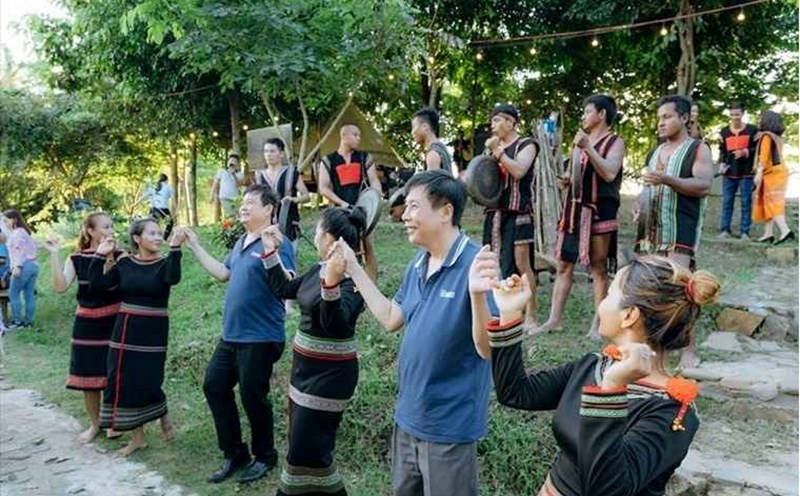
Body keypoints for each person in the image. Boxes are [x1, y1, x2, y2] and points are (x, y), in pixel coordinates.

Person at [473, 254, 719, 496]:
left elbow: (607, 488)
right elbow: (516, 393)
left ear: (629, 315)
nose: (602, 301)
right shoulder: (595, 366)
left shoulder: (672, 412)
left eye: (611, 293)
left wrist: (611, 389)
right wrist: (509, 315)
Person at [335, 170, 497, 496]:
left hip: (448, 428)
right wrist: (353, 267)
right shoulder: (419, 263)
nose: (404, 216)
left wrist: (477, 294)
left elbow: (487, 348)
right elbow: (392, 317)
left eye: (412, 207)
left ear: (445, 211)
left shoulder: (477, 264)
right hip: (409, 417)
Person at [182, 184, 296, 484]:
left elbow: (289, 284)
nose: (243, 207)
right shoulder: (241, 242)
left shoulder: (278, 241)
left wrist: (274, 252)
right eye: (242, 202)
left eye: (250, 203)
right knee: (214, 385)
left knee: (252, 394)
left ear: (269, 209)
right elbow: (223, 273)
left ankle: (265, 456)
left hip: (261, 335)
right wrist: (194, 244)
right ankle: (235, 453)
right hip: (232, 335)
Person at [260, 207, 367, 496]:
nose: (315, 236)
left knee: (306, 452)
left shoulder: (355, 282)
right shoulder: (317, 270)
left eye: (318, 231)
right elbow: (285, 288)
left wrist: (331, 282)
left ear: (331, 239)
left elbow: (333, 322)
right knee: (305, 449)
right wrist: (271, 252)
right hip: (303, 372)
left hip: (330, 378)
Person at [88, 218, 184, 456]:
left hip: (153, 332)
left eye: (159, 233)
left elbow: (173, 278)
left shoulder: (165, 263)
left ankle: (163, 416)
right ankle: (138, 438)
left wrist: (175, 249)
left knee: (149, 380)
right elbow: (96, 286)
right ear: (137, 239)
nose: (157, 237)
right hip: (124, 331)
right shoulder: (125, 263)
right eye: (151, 233)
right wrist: (100, 255)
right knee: (123, 381)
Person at [635, 95, 713, 370]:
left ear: (684, 118)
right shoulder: (655, 152)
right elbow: (648, 188)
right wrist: (639, 208)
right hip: (651, 231)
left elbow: (703, 185)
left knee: (682, 291)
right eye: (659, 118)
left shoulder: (698, 149)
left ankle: (688, 351)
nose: (661, 123)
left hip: (680, 230)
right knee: (650, 290)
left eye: (667, 117)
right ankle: (653, 349)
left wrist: (667, 179)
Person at [540, 95, 626, 336]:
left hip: (600, 211)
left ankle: (598, 326)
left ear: (602, 114)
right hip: (574, 211)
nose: (584, 116)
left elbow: (609, 173)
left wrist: (588, 147)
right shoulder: (579, 144)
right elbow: (576, 177)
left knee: (598, 270)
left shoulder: (615, 142)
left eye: (588, 111)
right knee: (564, 265)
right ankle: (554, 320)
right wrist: (566, 181)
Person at [43, 212, 122, 444]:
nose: (111, 230)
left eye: (111, 226)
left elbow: (107, 284)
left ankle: (113, 422)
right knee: (89, 378)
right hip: (86, 325)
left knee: (113, 374)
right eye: (105, 227)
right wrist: (55, 255)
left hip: (114, 322)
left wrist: (108, 257)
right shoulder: (76, 258)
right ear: (91, 231)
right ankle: (95, 424)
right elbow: (60, 287)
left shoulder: (120, 255)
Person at [482, 104, 539, 330]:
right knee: (495, 263)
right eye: (493, 121)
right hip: (494, 213)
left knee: (522, 263)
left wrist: (498, 152)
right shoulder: (490, 150)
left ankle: (532, 315)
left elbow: (518, 171)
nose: (493, 125)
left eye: (497, 120)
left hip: (518, 212)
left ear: (511, 122)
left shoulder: (527, 145)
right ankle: (503, 310)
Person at [318, 124, 382, 281]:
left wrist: (375, 198)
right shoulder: (328, 160)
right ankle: (333, 283)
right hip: (339, 214)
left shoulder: (364, 157)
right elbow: (323, 188)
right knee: (332, 248)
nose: (358, 138)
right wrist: (342, 203)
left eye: (359, 135)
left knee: (367, 248)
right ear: (344, 136)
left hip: (361, 213)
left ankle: (370, 288)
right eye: (355, 135)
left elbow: (374, 181)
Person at [255, 138, 310, 247]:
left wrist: (293, 199)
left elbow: (306, 196)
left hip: (289, 223)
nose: (268, 155)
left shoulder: (291, 173)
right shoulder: (259, 176)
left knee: (289, 257)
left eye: (272, 151)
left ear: (281, 154)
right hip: (266, 226)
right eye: (266, 151)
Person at [752, 110, 794, 245]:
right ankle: (768, 233)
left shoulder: (766, 137)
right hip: (778, 172)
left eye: (761, 119)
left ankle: (785, 231)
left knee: (773, 203)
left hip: (772, 174)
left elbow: (763, 157)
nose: (759, 121)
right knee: (768, 203)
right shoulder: (777, 137)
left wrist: (758, 173)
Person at [718, 102, 758, 240]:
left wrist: (746, 151)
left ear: (743, 114)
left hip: (746, 173)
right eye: (732, 114)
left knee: (746, 202)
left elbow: (758, 150)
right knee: (727, 202)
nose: (735, 117)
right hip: (729, 173)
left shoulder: (752, 130)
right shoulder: (724, 132)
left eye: (737, 114)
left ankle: (745, 232)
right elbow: (722, 151)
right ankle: (725, 230)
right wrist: (722, 163)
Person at [4, 209, 39, 330]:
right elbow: (34, 247)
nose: (5, 223)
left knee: (13, 293)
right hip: (33, 265)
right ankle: (29, 322)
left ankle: (17, 322)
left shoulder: (17, 234)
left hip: (23, 266)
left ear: (14, 219)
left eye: (6, 220)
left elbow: (19, 251)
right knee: (29, 294)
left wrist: (17, 267)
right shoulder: (24, 232)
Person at [411, 107, 453, 174]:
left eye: (414, 127)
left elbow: (433, 184)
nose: (412, 132)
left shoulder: (433, 154)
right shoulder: (441, 148)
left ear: (425, 127)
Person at [213, 154, 244, 219]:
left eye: (234, 161)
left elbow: (239, 185)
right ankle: (230, 227)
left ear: (237, 163)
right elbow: (216, 184)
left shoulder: (239, 174)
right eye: (231, 160)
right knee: (230, 215)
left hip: (236, 198)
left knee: (238, 215)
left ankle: (233, 227)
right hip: (225, 197)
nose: (232, 162)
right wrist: (212, 194)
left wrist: (234, 175)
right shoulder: (221, 171)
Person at [145, 174, 175, 239]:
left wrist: (135, 204)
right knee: (170, 223)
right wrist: (177, 209)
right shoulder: (168, 187)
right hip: (163, 209)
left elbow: (145, 196)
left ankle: (151, 237)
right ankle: (164, 238)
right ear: (166, 180)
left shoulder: (154, 187)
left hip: (154, 209)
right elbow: (173, 199)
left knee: (152, 224)